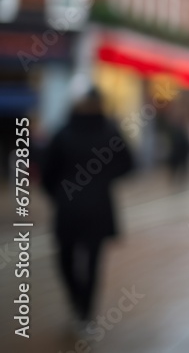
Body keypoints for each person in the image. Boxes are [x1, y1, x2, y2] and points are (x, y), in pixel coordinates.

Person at [42, 88, 134, 329]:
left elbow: (47, 171)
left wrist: (59, 194)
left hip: (68, 206)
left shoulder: (63, 132)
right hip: (99, 206)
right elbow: (129, 164)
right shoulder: (110, 132)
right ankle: (86, 312)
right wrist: (104, 180)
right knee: (92, 262)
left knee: (65, 258)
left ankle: (77, 303)